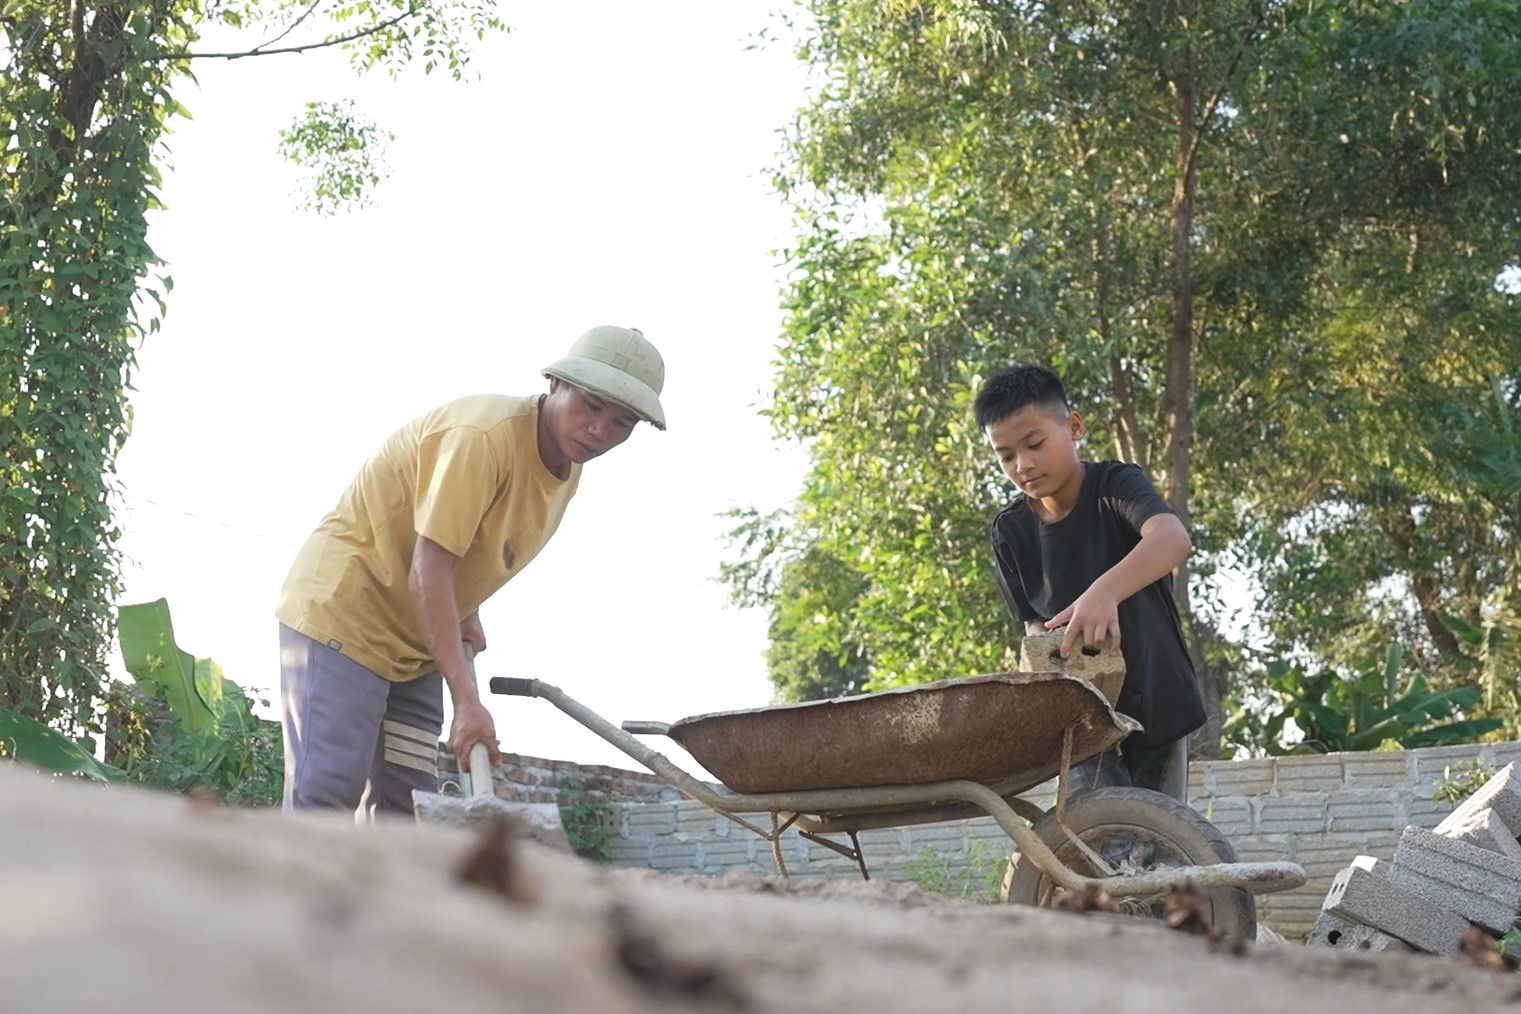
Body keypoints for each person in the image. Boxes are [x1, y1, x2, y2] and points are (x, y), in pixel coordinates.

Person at [275, 325, 666, 819]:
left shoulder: (568, 465)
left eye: (622, 422)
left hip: (416, 641)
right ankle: (284, 896)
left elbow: (470, 539)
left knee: (406, 800)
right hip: (346, 616)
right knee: (327, 788)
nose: (600, 431)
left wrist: (467, 608)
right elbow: (429, 569)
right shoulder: (484, 438)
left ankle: (390, 899)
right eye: (591, 406)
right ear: (555, 384)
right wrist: (467, 701)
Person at [974, 364, 1204, 801]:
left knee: (1163, 845)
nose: (1023, 464)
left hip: (1158, 705)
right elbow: (1036, 631)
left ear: (1074, 426)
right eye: (1005, 455)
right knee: (1098, 847)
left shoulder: (1115, 485)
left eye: (1035, 443)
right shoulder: (1010, 532)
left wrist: (1104, 592)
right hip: (1080, 728)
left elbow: (1173, 538)